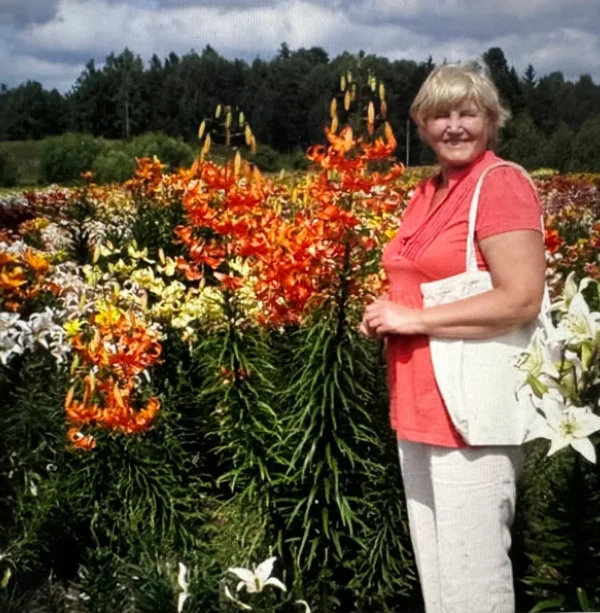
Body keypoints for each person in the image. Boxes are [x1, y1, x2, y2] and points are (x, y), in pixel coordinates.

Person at [359, 61, 546, 613]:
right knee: (440, 577)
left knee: (474, 580)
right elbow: (418, 285)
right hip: (417, 404)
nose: (455, 125)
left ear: (492, 121)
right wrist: (385, 312)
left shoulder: (500, 184)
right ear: (421, 125)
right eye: (440, 114)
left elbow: (521, 298)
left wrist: (413, 320)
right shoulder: (429, 192)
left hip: (470, 407)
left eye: (468, 113)